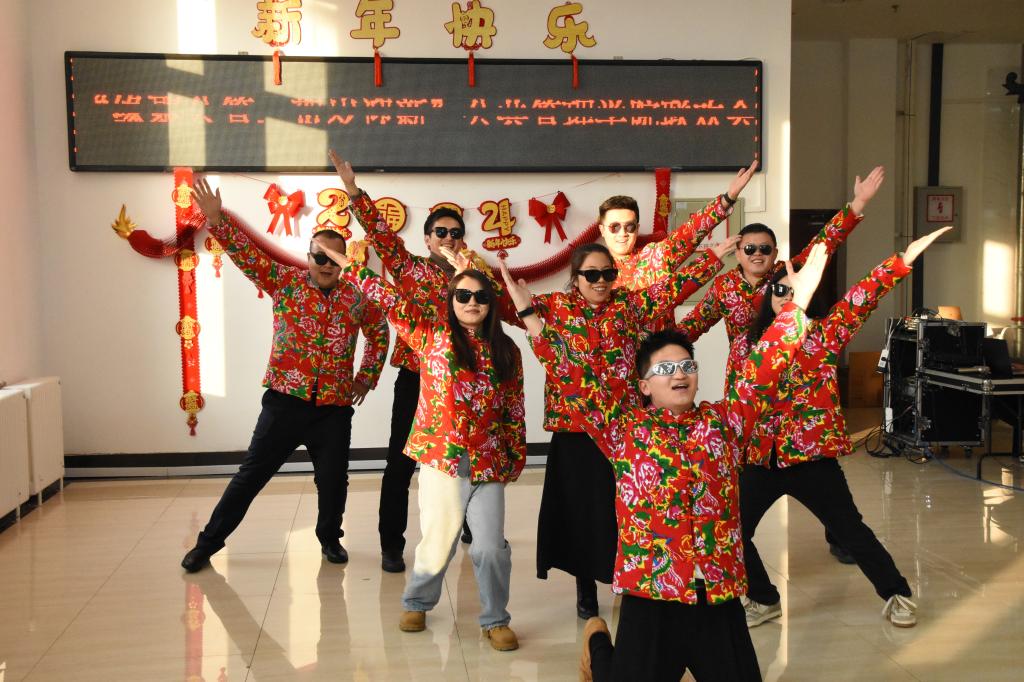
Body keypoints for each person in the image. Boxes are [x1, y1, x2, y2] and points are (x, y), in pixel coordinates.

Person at [502, 243, 830, 681]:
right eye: (663, 369)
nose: (678, 374)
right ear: (643, 385)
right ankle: (598, 647)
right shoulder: (623, 429)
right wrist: (530, 317)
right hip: (651, 592)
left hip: (716, 595)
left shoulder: (724, 422)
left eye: (686, 365)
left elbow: (763, 368)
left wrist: (796, 308)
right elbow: (572, 377)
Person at [738, 226, 952, 630]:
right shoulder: (750, 344)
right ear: (768, 297)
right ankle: (764, 599)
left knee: (850, 530)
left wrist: (902, 260)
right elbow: (739, 401)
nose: (786, 296)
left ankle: (897, 594)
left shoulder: (824, 335)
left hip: (811, 460)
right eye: (779, 290)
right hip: (761, 458)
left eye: (794, 290)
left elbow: (861, 298)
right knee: (730, 528)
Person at [320, 240, 526, 652]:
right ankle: (417, 602)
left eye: (480, 297)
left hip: (488, 463)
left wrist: (514, 459)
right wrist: (353, 268)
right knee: (438, 540)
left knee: (490, 548)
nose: (472, 302)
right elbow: (390, 299)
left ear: (491, 304)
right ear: (450, 301)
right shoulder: (431, 336)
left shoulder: (507, 350)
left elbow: (514, 408)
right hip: (442, 461)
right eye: (462, 295)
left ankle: (495, 619)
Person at [180, 178, 389, 573]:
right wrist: (217, 221)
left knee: (333, 481)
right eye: (319, 256)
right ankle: (206, 545)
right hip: (284, 404)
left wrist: (367, 376)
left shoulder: (357, 296)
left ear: (345, 261)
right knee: (250, 477)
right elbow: (247, 256)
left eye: (334, 259)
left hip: (333, 409)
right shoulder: (285, 282)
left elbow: (379, 332)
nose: (326, 265)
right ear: (308, 256)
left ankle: (330, 538)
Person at [679, 165, 885, 563]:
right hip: (749, 390)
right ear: (738, 252)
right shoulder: (724, 288)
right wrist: (656, 354)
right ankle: (735, 545)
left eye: (765, 249)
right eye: (749, 249)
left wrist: (857, 204)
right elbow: (693, 326)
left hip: (798, 387)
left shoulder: (787, 275)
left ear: (775, 253)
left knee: (819, 466)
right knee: (747, 470)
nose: (757, 254)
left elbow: (826, 242)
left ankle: (841, 534)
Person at [532, 237, 736, 620]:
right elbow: (504, 305)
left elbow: (673, 289)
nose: (601, 281)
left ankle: (627, 579)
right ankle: (585, 590)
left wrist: (711, 257)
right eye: (591, 274)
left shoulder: (628, 305)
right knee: (580, 513)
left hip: (623, 429)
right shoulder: (554, 306)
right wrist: (470, 266)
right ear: (575, 277)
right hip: (575, 429)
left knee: (624, 510)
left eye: (607, 273)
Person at [329, 150, 507, 572]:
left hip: (468, 384)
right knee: (401, 463)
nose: (448, 238)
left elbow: (502, 308)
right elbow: (381, 234)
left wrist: (472, 270)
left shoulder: (475, 278)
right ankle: (392, 544)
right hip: (418, 380)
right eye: (440, 232)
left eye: (455, 233)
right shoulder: (410, 270)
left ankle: (472, 527)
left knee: (471, 458)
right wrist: (353, 191)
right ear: (427, 239)